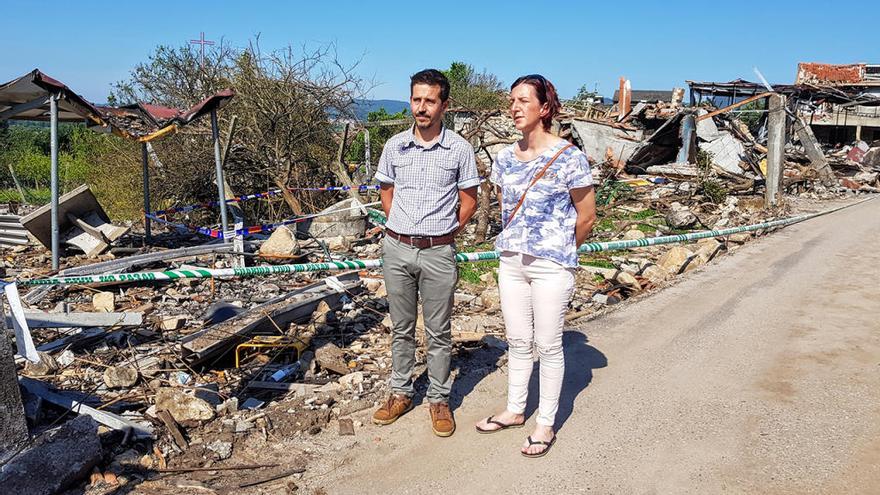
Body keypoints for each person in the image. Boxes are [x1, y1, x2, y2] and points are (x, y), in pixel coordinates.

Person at [474, 74, 597, 457]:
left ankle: (545, 422)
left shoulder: (569, 157)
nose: (514, 108)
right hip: (511, 260)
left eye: (523, 101)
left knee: (547, 344)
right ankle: (514, 410)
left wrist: (559, 251)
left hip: (551, 265)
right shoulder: (505, 157)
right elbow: (504, 206)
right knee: (518, 341)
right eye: (512, 101)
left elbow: (587, 216)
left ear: (544, 108)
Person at [371, 69, 480, 437]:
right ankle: (400, 394)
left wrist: (449, 231)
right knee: (400, 328)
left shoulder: (460, 150)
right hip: (397, 249)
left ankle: (438, 399)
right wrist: (397, 223)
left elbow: (469, 200)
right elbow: (386, 188)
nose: (421, 107)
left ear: (444, 105)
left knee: (438, 331)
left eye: (429, 100)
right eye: (416, 99)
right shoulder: (394, 146)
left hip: (438, 253)